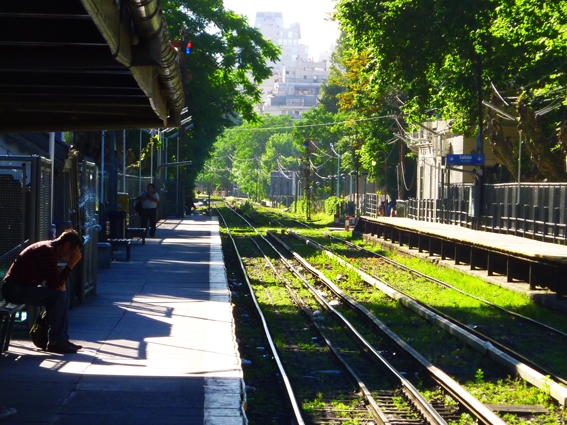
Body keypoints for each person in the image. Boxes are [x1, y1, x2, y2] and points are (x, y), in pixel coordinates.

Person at [1, 229, 83, 354]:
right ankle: (56, 341)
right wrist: (70, 265)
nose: (69, 257)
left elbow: (55, 282)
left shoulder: (49, 249)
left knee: (61, 294)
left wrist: (61, 282)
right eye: (71, 253)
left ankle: (62, 339)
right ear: (66, 245)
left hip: (20, 288)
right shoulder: (47, 252)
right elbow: (55, 284)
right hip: (15, 289)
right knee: (59, 296)